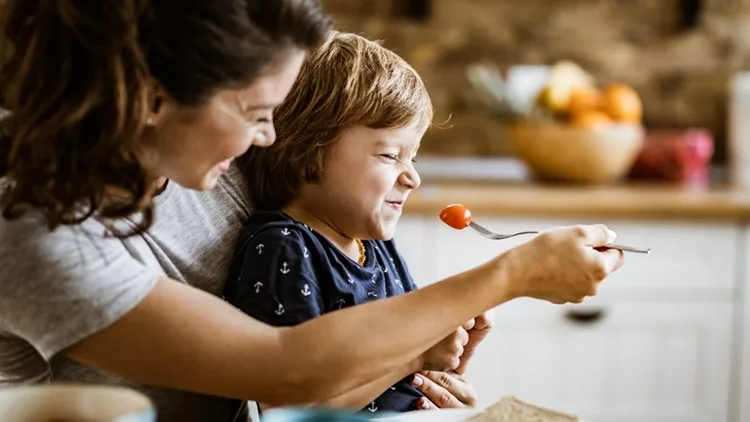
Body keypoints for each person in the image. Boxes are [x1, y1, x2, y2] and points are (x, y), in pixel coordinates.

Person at [0, 0, 625, 421]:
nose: (269, 138)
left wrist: (409, 351)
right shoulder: (33, 233)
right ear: (152, 98)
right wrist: (510, 274)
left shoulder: (210, 158)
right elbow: (282, 367)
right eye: (254, 112)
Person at [225, 31, 485, 414]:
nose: (412, 177)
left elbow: (413, 376)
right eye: (389, 155)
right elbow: (293, 408)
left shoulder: (375, 246)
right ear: (307, 152)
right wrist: (415, 355)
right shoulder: (285, 249)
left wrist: (458, 348)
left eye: (412, 157)